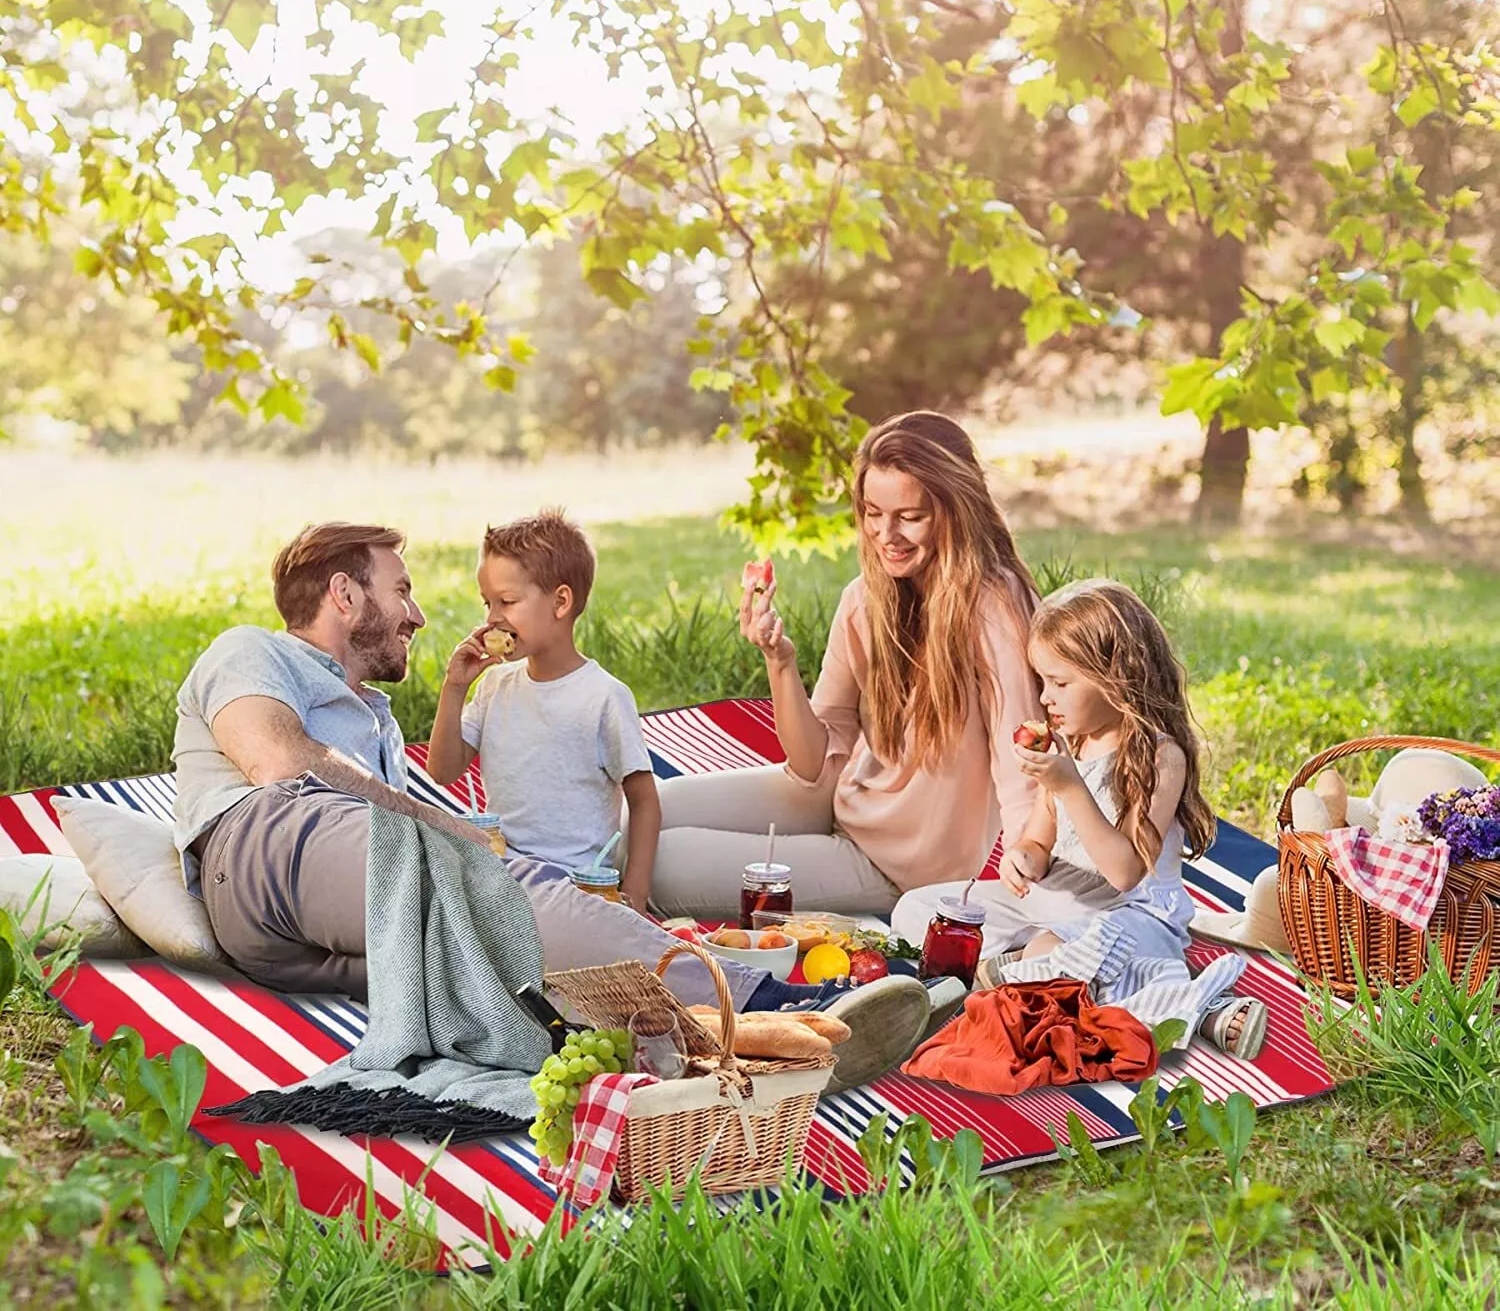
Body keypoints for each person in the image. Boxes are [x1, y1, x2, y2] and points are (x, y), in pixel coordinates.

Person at [171, 521, 940, 1093]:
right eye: (400, 589)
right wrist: (452, 830)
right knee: (504, 892)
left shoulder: (369, 713)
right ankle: (778, 1002)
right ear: (344, 593)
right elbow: (275, 759)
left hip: (291, 930)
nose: (417, 615)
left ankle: (742, 1045)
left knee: (516, 979)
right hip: (270, 842)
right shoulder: (251, 649)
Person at [647, 410, 1047, 919]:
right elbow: (813, 766)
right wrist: (780, 660)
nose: (886, 534)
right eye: (873, 512)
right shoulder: (865, 599)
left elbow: (1024, 767)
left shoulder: (995, 610)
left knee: (657, 862)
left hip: (895, 864)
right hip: (838, 800)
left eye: (910, 516)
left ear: (955, 510)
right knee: (642, 811)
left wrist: (1031, 874)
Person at [890, 579, 1269, 1058]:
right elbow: (1038, 840)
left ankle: (1201, 1009)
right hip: (1054, 907)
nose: (1045, 698)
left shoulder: (1159, 757)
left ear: (1116, 678)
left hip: (1128, 916)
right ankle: (1018, 977)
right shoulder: (1071, 745)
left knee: (1052, 957)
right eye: (1042, 681)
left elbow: (1126, 871)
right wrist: (1022, 857)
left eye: (1061, 683)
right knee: (919, 911)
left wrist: (1070, 786)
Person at [424, 510, 661, 913]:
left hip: (575, 887)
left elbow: (644, 802)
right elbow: (442, 771)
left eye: (508, 601)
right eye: (488, 603)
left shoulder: (602, 697)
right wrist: (455, 687)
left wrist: (635, 897)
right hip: (501, 875)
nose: (492, 617)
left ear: (561, 602)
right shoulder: (495, 686)